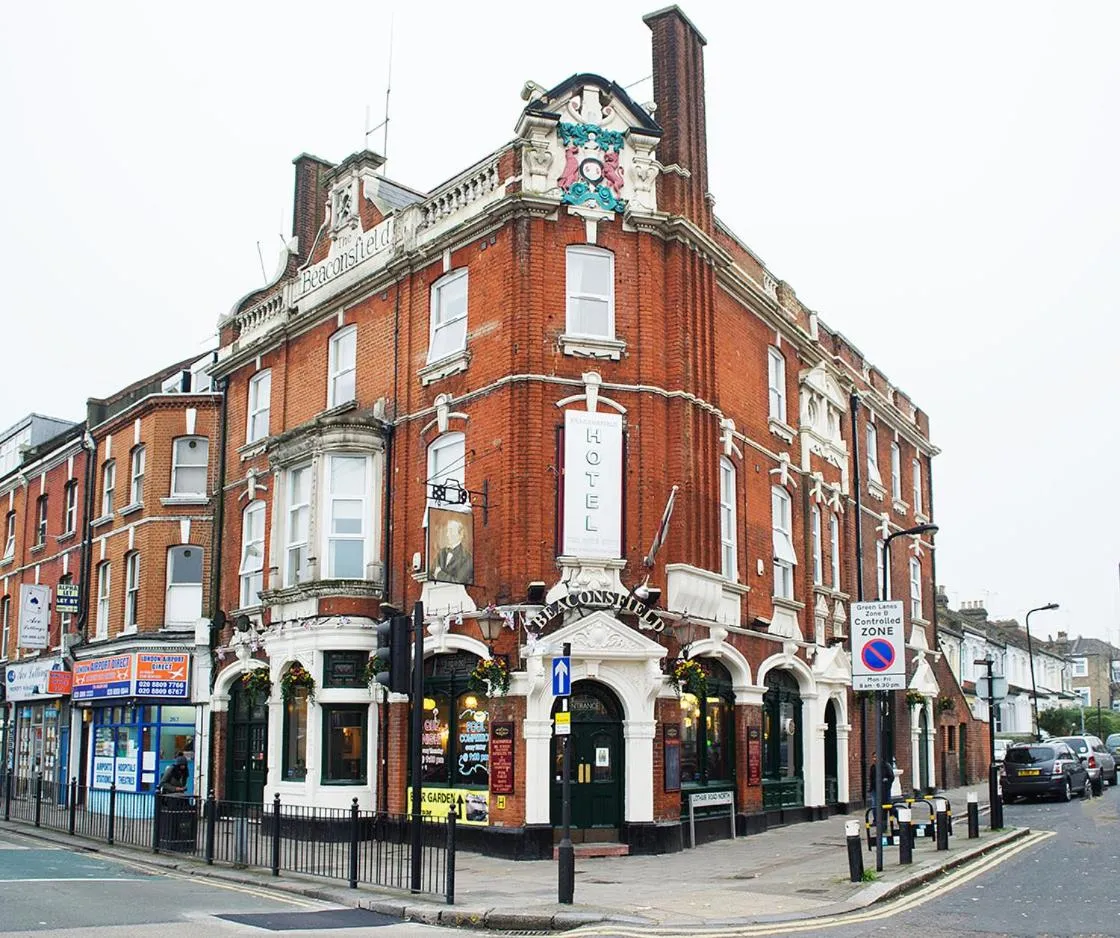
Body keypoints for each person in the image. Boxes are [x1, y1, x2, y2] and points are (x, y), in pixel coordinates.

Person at [433, 516, 473, 584]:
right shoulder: (441, 553)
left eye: (451, 531)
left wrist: (439, 574)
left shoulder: (467, 558)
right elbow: (432, 571)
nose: (447, 534)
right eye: (448, 530)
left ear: (461, 534)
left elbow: (458, 582)